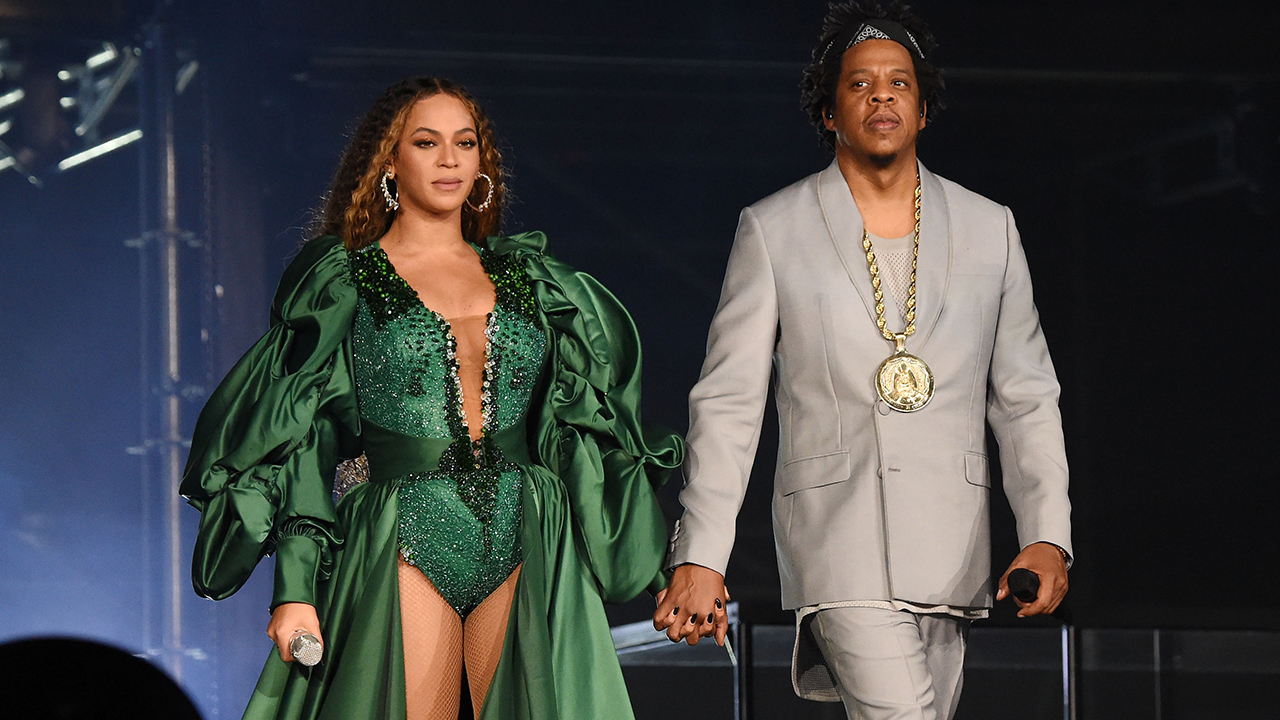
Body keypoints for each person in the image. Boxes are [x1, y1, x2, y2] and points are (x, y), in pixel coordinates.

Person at [181, 76, 683, 720]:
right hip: (402, 532)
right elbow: (301, 439)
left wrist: (661, 573)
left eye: (465, 142)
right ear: (390, 162)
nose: (449, 159)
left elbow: (586, 436)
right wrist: (295, 590)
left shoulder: (537, 282)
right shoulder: (343, 281)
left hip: (530, 528)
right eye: (426, 142)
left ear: (483, 164)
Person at [653, 3, 1073, 718]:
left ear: (924, 106)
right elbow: (729, 402)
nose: (882, 95)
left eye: (900, 82)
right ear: (828, 111)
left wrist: (1046, 536)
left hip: (952, 545)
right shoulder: (774, 228)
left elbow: (1026, 396)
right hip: (836, 539)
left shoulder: (988, 228)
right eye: (859, 84)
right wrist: (700, 554)